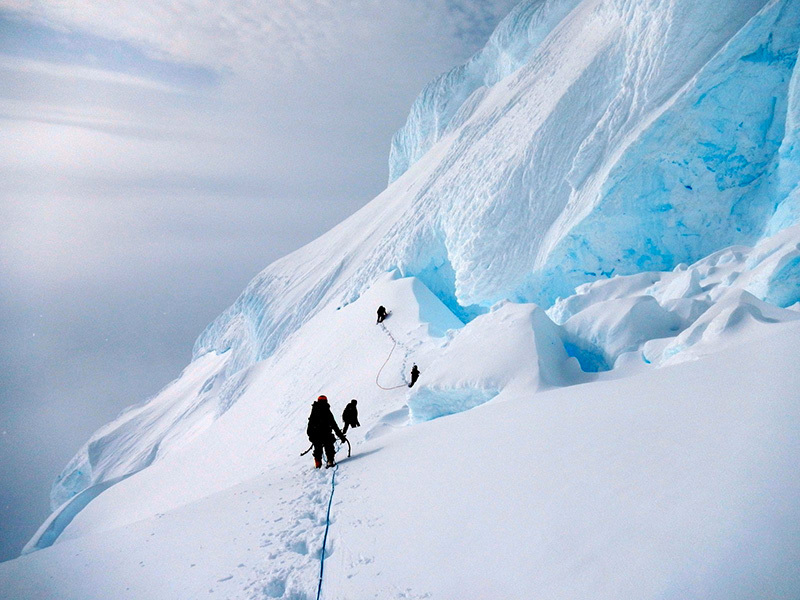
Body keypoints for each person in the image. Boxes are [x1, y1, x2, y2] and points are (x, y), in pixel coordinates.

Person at [306, 395, 346, 469]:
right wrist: (341, 436)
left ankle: (318, 464)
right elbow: (334, 425)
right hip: (326, 434)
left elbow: (310, 425)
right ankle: (330, 461)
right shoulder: (327, 411)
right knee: (329, 447)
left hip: (316, 435)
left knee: (318, 449)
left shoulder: (314, 411)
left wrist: (311, 436)